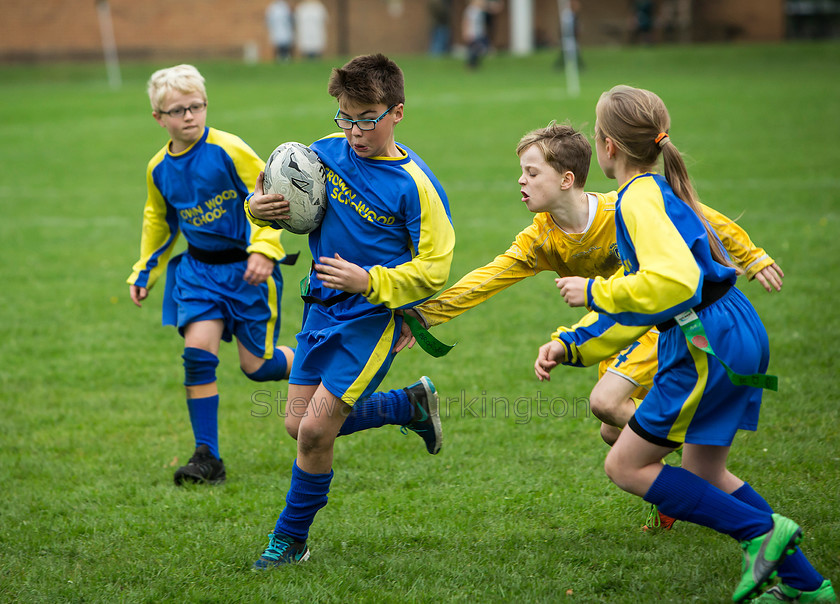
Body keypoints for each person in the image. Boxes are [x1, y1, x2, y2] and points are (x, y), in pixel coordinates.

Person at [396, 122, 782, 531]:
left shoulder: (621, 209)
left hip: (659, 325)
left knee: (608, 405)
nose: (520, 181)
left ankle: (690, 468)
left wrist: (751, 254)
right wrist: (426, 314)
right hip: (613, 333)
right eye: (521, 172)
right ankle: (680, 483)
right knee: (612, 434)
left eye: (531, 172)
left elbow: (698, 215)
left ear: (566, 179)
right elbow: (488, 278)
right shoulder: (540, 241)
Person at [535, 85, 835, 602]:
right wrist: (576, 344)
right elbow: (651, 302)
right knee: (703, 469)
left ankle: (761, 533)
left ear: (608, 146)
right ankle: (808, 587)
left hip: (706, 339)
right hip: (728, 325)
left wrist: (592, 289)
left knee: (625, 465)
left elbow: (675, 285)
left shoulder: (637, 199)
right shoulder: (652, 190)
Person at [245, 53, 456, 568]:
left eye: (367, 118)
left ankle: (290, 541)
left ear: (397, 112)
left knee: (316, 432)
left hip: (370, 320)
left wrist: (374, 283)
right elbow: (268, 194)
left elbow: (435, 267)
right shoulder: (318, 156)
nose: (355, 130)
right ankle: (407, 406)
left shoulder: (416, 185)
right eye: (345, 116)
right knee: (298, 426)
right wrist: (257, 209)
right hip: (318, 310)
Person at [127, 64, 296, 486]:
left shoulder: (228, 149)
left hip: (248, 271)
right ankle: (208, 458)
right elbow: (159, 222)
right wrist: (144, 271)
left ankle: (315, 359)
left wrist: (264, 250)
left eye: (196, 106)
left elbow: (271, 196)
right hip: (198, 272)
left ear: (206, 106)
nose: (189, 116)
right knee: (197, 354)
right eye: (177, 110)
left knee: (257, 367)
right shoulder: (158, 169)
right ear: (158, 118)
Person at [463, 0, 489, 69]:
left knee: (481, 49)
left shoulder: (480, 10)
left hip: (479, 33)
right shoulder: (470, 10)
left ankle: (474, 63)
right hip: (472, 33)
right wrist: (465, 32)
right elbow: (466, 22)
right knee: (474, 49)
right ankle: (471, 64)